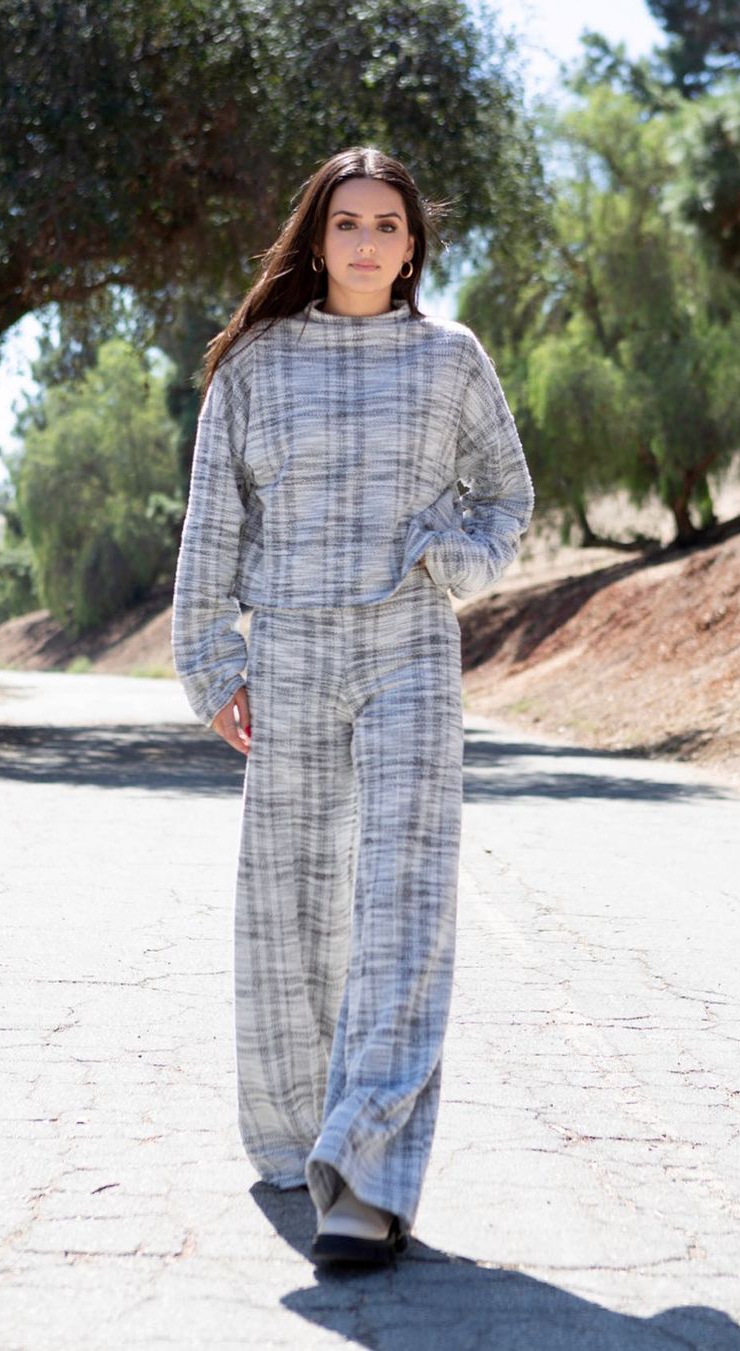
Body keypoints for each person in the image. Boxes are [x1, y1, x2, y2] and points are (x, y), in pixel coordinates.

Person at [171, 145, 534, 1266]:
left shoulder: (451, 359)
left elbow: (506, 497)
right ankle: (299, 1134)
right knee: (292, 903)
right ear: (317, 239)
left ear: (413, 245)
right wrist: (211, 663)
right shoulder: (256, 365)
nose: (367, 242)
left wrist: (447, 556)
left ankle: (367, 1175)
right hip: (288, 651)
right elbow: (214, 519)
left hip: (408, 650)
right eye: (347, 223)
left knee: (403, 903)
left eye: (387, 224)